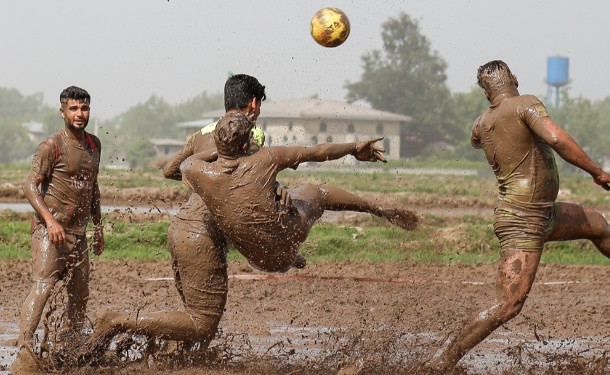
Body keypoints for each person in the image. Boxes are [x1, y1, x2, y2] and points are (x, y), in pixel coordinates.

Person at [424, 60, 610, 372]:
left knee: (597, 224)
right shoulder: (524, 104)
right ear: (515, 78)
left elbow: (475, 139)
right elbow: (555, 138)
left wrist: (488, 124)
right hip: (524, 218)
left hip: (541, 213)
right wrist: (596, 171)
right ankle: (442, 362)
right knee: (508, 304)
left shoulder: (483, 122)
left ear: (487, 94)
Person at [86, 75, 291, 353]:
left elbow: (170, 169)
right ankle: (117, 321)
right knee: (202, 321)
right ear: (253, 104)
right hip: (203, 237)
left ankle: (172, 357)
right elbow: (251, 174)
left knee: (194, 315)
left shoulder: (202, 133)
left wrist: (202, 182)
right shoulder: (251, 133)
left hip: (181, 229)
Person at [181, 113, 419, 273]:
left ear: (215, 140)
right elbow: (317, 151)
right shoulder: (267, 158)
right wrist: (355, 148)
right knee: (317, 192)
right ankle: (376, 210)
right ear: (246, 145)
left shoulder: (195, 170)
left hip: (258, 260)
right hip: (285, 247)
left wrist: (219, 154)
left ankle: (290, 252)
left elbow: (186, 162)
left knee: (276, 198)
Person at [13, 86, 104, 373]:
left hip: (79, 233)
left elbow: (93, 187)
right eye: (74, 109)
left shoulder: (94, 145)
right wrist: (51, 222)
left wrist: (98, 226)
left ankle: (71, 348)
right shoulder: (51, 146)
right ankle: (24, 353)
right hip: (49, 231)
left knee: (80, 293)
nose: (80, 114)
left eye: (84, 108)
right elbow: (29, 186)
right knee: (43, 287)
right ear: (62, 111)